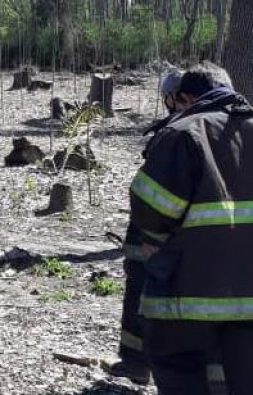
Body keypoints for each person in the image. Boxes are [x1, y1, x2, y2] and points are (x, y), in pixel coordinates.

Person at [129, 62, 253, 394]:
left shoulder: (184, 133)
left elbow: (150, 206)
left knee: (181, 370)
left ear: (185, 97)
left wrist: (154, 243)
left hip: (187, 298)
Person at [108, 68, 186, 385]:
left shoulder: (173, 134)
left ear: (173, 97)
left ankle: (138, 363)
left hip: (151, 236)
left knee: (140, 297)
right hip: (175, 238)